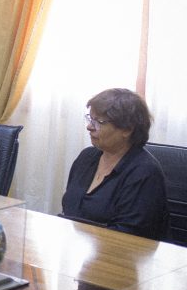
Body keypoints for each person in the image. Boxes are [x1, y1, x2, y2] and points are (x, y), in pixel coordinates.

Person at [60, 88, 167, 240]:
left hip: (123, 257)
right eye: (90, 119)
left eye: (99, 122)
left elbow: (127, 235)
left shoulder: (145, 172)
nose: (89, 127)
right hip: (82, 253)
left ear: (127, 129)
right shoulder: (87, 158)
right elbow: (69, 211)